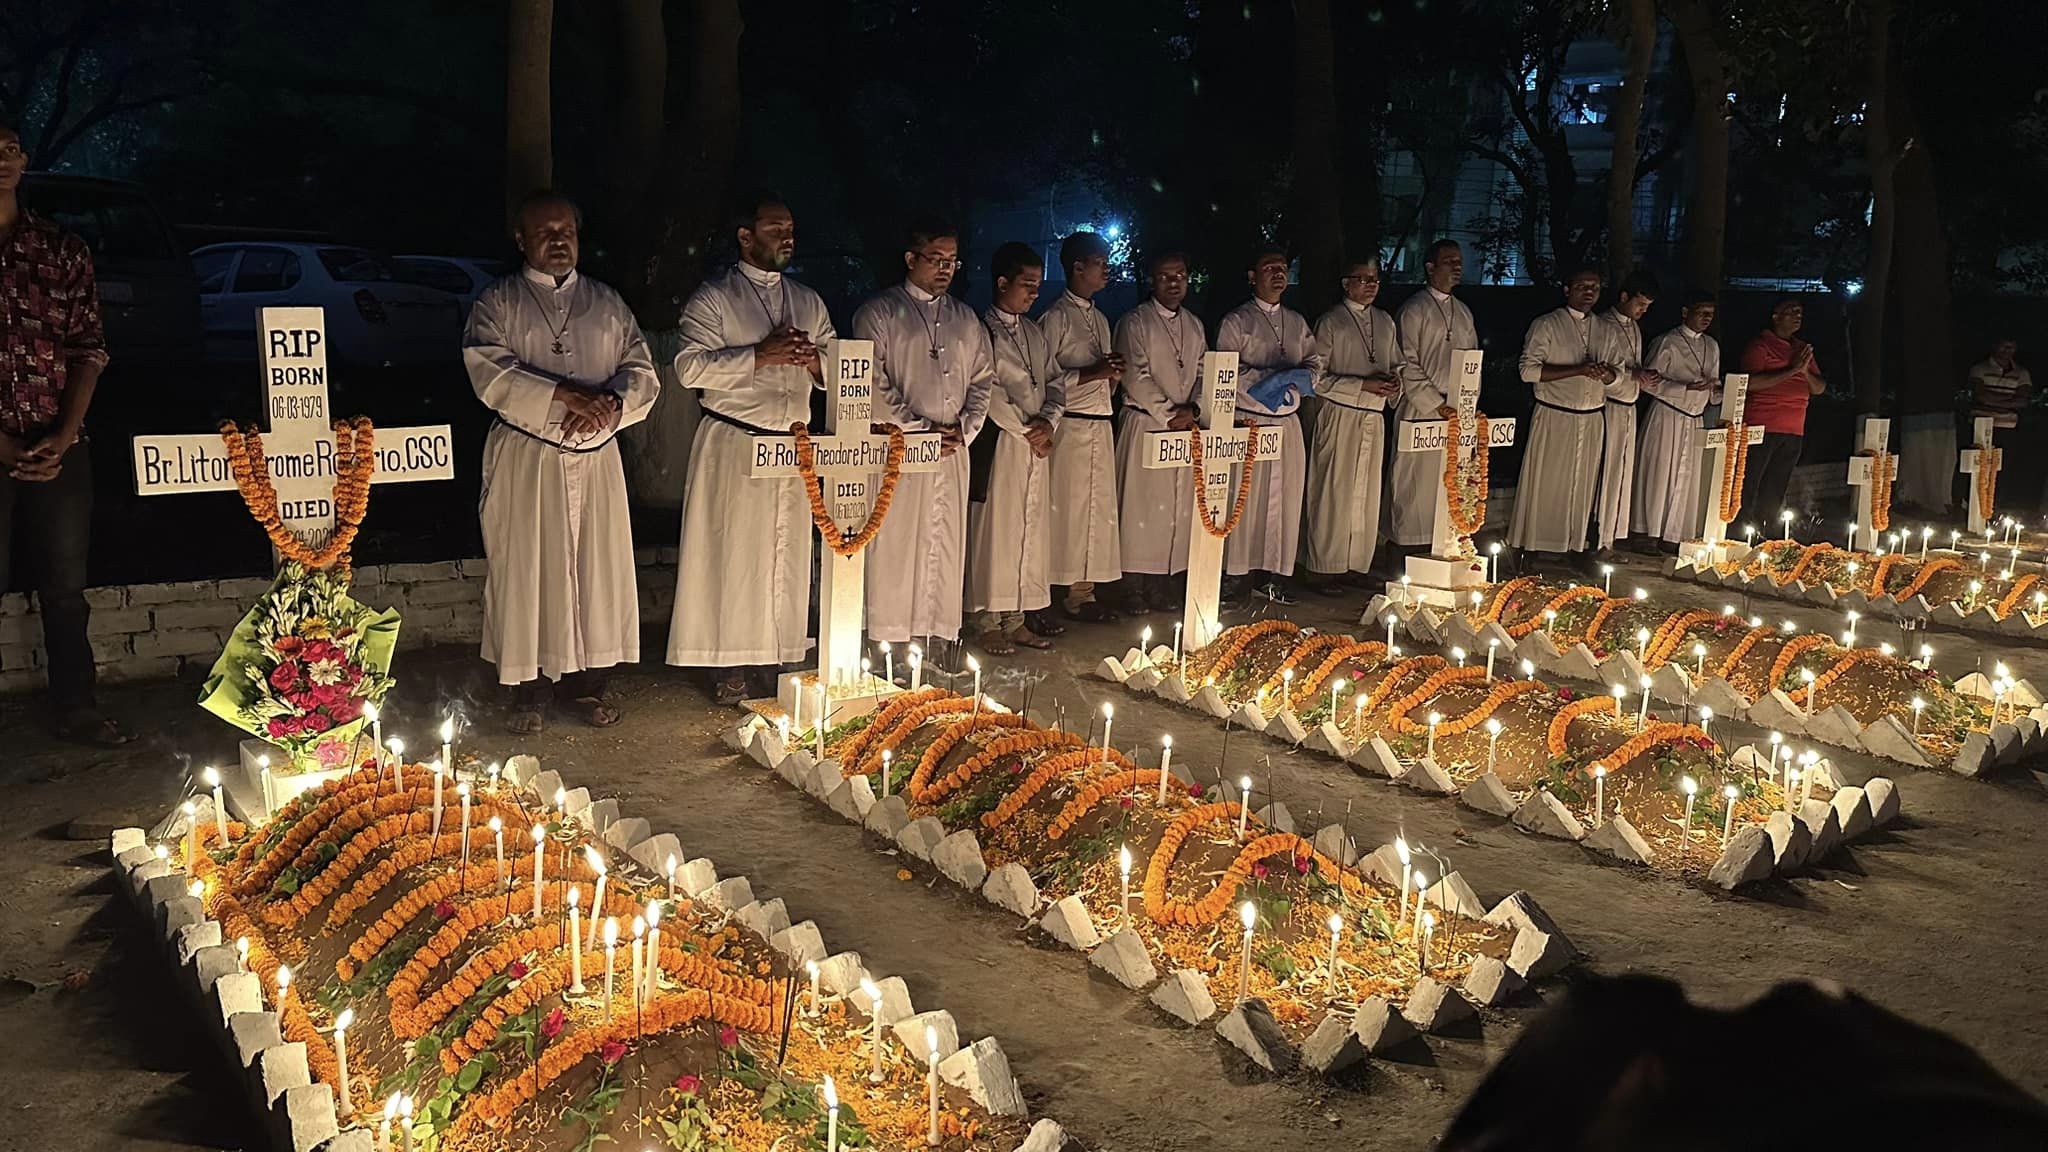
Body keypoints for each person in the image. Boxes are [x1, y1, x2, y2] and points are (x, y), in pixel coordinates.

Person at [464, 190, 659, 733]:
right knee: (529, 568)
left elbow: (642, 370)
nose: (558, 241)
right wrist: (566, 396)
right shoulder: (498, 303)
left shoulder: (607, 302)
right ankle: (530, 688)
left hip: (596, 454)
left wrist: (612, 405)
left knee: (596, 571)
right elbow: (489, 371)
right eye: (545, 232)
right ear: (521, 239)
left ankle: (587, 686)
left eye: (567, 231)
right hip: (529, 455)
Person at [667, 191, 833, 705]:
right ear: (745, 236)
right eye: (774, 228)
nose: (787, 236)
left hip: (793, 445)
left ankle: (775, 656)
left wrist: (811, 361)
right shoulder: (713, 299)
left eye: (790, 228)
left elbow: (840, 363)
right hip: (736, 440)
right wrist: (758, 356)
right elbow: (689, 368)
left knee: (785, 553)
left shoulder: (807, 300)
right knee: (733, 554)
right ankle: (727, 662)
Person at [0, 120, 127, 745]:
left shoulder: (60, 250)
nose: (2, 160)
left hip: (60, 445)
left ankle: (77, 707)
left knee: (65, 588)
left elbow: (88, 348)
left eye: (10, 148)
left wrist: (65, 434)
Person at [852, 223, 994, 658]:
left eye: (953, 261)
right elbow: (870, 382)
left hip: (951, 449)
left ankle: (935, 637)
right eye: (936, 258)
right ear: (911, 259)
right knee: (896, 542)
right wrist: (918, 429)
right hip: (900, 449)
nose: (946, 269)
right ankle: (887, 640)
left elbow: (983, 379)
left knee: (944, 541)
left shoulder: (966, 319)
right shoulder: (878, 313)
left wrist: (965, 428)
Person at [965, 242, 1066, 655]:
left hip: (1035, 442)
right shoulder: (981, 330)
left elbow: (1055, 381)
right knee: (996, 530)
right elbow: (985, 388)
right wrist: (1027, 429)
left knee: (1028, 528)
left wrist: (1049, 421)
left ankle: (1017, 618)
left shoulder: (1034, 332)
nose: (1034, 293)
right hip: (1003, 441)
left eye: (1038, 286)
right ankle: (986, 619)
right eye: (1026, 284)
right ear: (1002, 282)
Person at [1214, 246, 1319, 604]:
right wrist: (1272, 381)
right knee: (1246, 500)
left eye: (1283, 267)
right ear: (1251, 276)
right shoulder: (1236, 321)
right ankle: (1236, 577)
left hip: (1287, 423)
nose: (1278, 273)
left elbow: (1315, 364)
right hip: (1250, 421)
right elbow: (1228, 372)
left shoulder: (1298, 321)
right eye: (1269, 267)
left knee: (1284, 500)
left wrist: (1294, 380)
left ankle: (1274, 576)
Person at [1037, 231, 1123, 624]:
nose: (1106, 269)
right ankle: (1051, 591)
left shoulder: (1101, 319)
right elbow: (1045, 379)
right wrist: (1094, 372)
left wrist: (1111, 377)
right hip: (1069, 426)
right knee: (1065, 512)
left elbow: (1101, 373)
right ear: (1076, 266)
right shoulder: (1054, 318)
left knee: (1095, 513)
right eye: (1099, 262)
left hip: (1099, 425)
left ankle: (1084, 592)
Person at [1113, 250, 1206, 611]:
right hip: (1147, 422)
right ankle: (1131, 584)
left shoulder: (1195, 325)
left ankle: (1163, 582)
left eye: (1180, 275)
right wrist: (1169, 413)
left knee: (1174, 507)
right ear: (1153, 279)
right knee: (1141, 505)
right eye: (1166, 276)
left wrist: (1194, 408)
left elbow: (1201, 371)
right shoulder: (1135, 322)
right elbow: (1134, 373)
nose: (1174, 282)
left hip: (1183, 426)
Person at [1303, 258, 1400, 589]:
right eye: (1363, 279)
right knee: (1334, 491)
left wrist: (1394, 385)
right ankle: (1322, 567)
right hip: (1340, 414)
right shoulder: (1331, 322)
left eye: (1375, 279)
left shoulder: (1385, 322)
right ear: (1346, 284)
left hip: (1373, 415)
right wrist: (1361, 384)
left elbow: (1398, 365)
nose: (1371, 284)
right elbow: (1316, 378)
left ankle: (1356, 565)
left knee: (1365, 494)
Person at [1509, 268, 1613, 570]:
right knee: (1544, 482)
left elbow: (1617, 374)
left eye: (1594, 286)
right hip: (1556, 414)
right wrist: (1578, 370)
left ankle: (1576, 546)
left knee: (1583, 486)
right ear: (1567, 289)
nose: (1589, 292)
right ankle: (1530, 546)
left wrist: (1607, 374)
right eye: (1582, 285)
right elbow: (1528, 371)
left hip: (1592, 416)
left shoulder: (1604, 329)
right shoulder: (1547, 324)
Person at [1391, 239, 1480, 562]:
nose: (1457, 266)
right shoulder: (1414, 310)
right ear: (1430, 267)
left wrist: (1466, 402)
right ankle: (1404, 549)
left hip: (1455, 413)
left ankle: (1440, 545)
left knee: (1447, 482)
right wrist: (1434, 403)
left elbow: (1472, 361)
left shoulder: (1463, 312)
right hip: (1422, 407)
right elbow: (1405, 361)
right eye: (1449, 261)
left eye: (1459, 261)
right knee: (1413, 480)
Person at [1632, 291, 1722, 552]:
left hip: (1694, 418)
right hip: (1668, 414)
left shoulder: (1711, 346)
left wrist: (1716, 391)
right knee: (1659, 474)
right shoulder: (1667, 342)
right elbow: (1649, 383)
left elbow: (1713, 383)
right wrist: (1684, 388)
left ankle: (1674, 533)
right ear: (1685, 312)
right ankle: (1646, 532)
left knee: (1686, 478)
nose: (1706, 318)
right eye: (1701, 312)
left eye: (1711, 314)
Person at [1734, 298, 1826, 527]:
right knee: (1751, 482)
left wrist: (1803, 371)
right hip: (1762, 425)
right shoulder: (1760, 345)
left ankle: (1768, 530)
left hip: (1793, 429)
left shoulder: (1802, 349)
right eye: (1791, 311)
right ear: (1775, 316)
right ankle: (1741, 530)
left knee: (1777, 485)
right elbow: (1749, 383)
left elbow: (1819, 388)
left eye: (1800, 312)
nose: (1797, 315)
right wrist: (1791, 370)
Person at [1591, 272, 1659, 557]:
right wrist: (1634, 375)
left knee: (1620, 474)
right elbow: (1606, 368)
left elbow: (1633, 365)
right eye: (1639, 304)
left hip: (1629, 407)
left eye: (1647, 307)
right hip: (1609, 407)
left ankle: (1611, 538)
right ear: (1623, 297)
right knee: (1606, 473)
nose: (1643, 311)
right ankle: (1597, 539)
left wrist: (1642, 376)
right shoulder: (1604, 325)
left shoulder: (1633, 327)